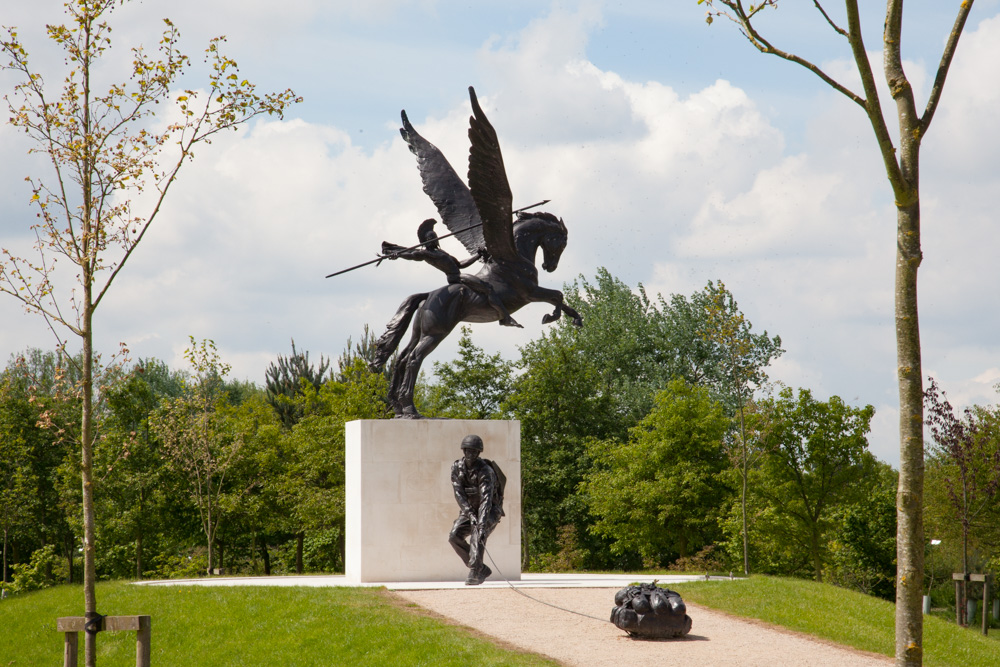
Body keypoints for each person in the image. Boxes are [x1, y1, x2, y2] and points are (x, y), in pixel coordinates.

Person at [382, 219, 522, 327]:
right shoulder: (426, 254)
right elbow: (412, 255)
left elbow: (461, 264)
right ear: (425, 241)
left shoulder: (441, 252)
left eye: (435, 236)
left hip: (459, 274)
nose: (434, 239)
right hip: (456, 278)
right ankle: (505, 318)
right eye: (431, 237)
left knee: (486, 287)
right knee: (488, 288)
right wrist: (398, 254)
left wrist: (477, 256)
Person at [448, 434, 505, 585]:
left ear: (479, 453)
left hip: (489, 510)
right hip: (469, 510)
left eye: (474, 452)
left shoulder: (486, 470)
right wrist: (469, 513)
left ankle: (474, 571)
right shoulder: (456, 468)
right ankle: (480, 567)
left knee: (478, 533)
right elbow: (458, 493)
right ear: (464, 451)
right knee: (454, 536)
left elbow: (486, 499)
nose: (470, 454)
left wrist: (481, 520)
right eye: (468, 451)